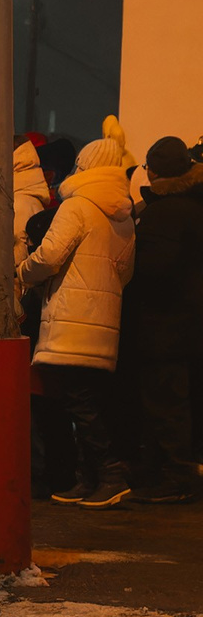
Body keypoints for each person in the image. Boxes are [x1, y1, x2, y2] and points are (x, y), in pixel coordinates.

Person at [19, 117, 137, 509]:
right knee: (90, 401)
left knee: (78, 403)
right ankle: (91, 479)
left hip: (71, 317)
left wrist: (22, 271)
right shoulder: (123, 215)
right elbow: (125, 273)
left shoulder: (77, 206)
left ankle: (110, 476)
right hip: (104, 320)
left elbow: (49, 257)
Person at [125, 135, 203, 503]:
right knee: (181, 402)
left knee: (166, 404)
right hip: (189, 324)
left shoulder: (163, 213)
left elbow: (154, 270)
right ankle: (171, 471)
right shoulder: (194, 205)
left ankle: (176, 477)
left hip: (166, 326)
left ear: (154, 172)